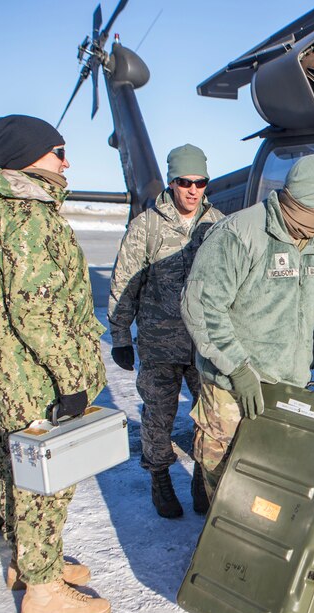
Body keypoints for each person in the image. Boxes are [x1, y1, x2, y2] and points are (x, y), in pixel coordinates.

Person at [0, 114, 109, 613]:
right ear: (29, 156)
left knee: (22, 471)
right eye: (57, 151)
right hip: (38, 379)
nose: (66, 162)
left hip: (13, 374)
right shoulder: (28, 219)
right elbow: (37, 312)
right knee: (46, 479)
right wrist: (72, 380)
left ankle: (30, 566)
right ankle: (43, 592)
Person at [181, 154, 314, 498]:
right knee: (225, 486)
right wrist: (238, 369)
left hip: (290, 389)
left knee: (269, 485)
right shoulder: (240, 234)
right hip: (231, 390)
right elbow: (202, 307)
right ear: (306, 200)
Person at [108, 144, 224, 518]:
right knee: (159, 415)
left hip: (202, 344)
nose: (192, 190)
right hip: (159, 343)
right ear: (172, 182)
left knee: (210, 416)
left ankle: (200, 480)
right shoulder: (147, 226)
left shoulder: (218, 224)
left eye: (200, 182)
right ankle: (160, 480)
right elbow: (125, 282)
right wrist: (121, 336)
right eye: (184, 182)